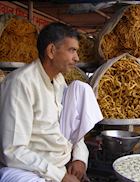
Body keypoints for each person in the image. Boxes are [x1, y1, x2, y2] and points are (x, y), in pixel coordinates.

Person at [0, 22, 103, 182]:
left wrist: (79, 157)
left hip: (57, 165)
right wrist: (60, 176)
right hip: (26, 170)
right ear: (51, 51)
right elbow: (13, 151)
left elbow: (72, 126)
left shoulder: (59, 80)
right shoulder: (21, 83)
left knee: (81, 87)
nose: (76, 58)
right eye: (72, 50)